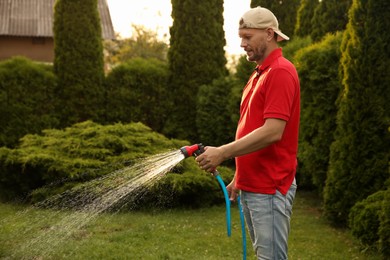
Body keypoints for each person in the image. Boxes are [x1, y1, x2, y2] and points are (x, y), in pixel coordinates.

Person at [195, 6, 300, 260]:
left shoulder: (281, 72)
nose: (242, 44)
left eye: (248, 37)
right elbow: (251, 129)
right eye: (241, 36)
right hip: (254, 185)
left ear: (269, 34)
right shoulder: (258, 75)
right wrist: (240, 177)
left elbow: (273, 131)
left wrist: (222, 152)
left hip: (270, 186)